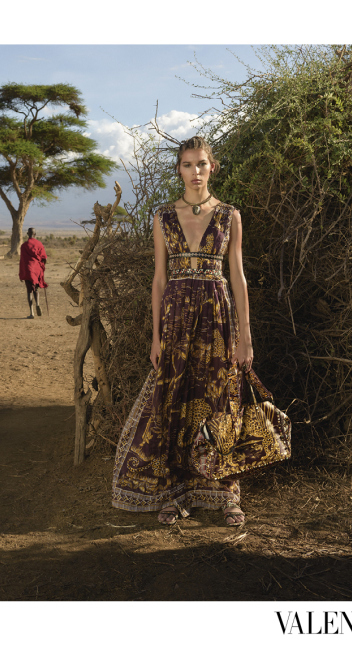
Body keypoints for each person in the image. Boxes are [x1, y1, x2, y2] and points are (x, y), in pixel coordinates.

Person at [110, 136, 254, 526]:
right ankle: (175, 493)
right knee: (173, 401)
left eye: (201, 164)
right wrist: (156, 336)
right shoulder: (162, 217)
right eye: (187, 165)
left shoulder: (229, 216)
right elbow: (159, 280)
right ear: (179, 169)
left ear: (213, 168)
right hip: (175, 319)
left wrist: (245, 337)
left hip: (217, 317)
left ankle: (226, 493)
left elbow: (238, 279)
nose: (195, 172)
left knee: (220, 400)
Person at [18, 227, 48, 318]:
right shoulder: (39, 244)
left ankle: (32, 313)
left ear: (28, 234)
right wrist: (42, 267)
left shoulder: (24, 246)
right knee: (36, 289)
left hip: (28, 270)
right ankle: (37, 304)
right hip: (37, 270)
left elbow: (22, 261)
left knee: (29, 291)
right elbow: (44, 258)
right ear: (35, 234)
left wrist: (21, 274)